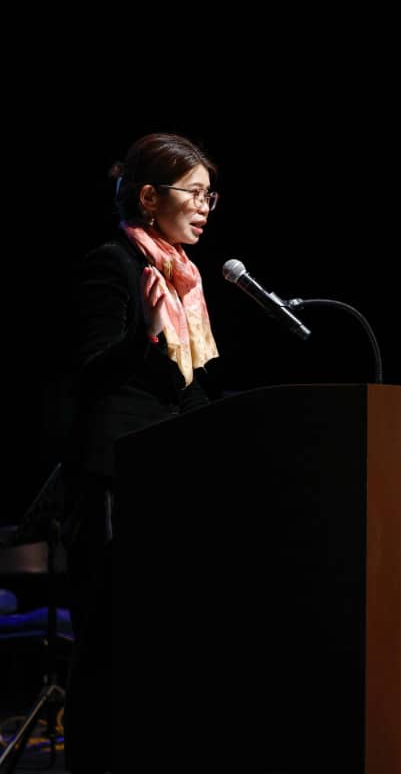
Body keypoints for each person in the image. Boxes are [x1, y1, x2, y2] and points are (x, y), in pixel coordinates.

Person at [61, 133, 221, 772]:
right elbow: (89, 377)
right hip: (111, 484)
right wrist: (142, 336)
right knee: (105, 643)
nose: (207, 207)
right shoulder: (114, 266)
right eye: (196, 193)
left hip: (164, 485)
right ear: (150, 198)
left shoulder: (184, 281)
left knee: (156, 648)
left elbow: (188, 393)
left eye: (213, 196)